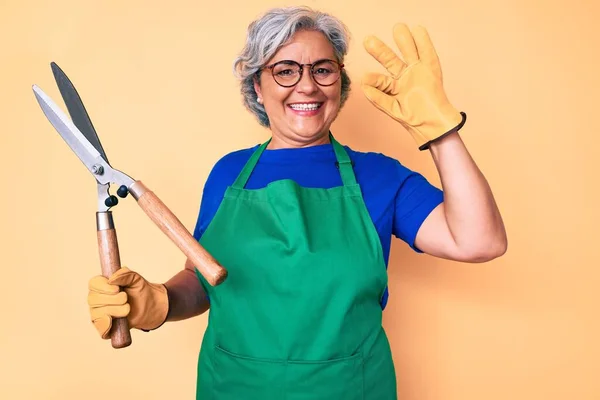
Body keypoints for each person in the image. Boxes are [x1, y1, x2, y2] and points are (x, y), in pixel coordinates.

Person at [87, 6, 507, 399]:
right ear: (258, 85)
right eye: (285, 70)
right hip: (234, 387)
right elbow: (201, 279)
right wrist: (159, 301)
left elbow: (479, 241)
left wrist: (440, 129)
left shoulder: (380, 176)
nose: (307, 85)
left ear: (339, 82)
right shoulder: (228, 173)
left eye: (322, 70)